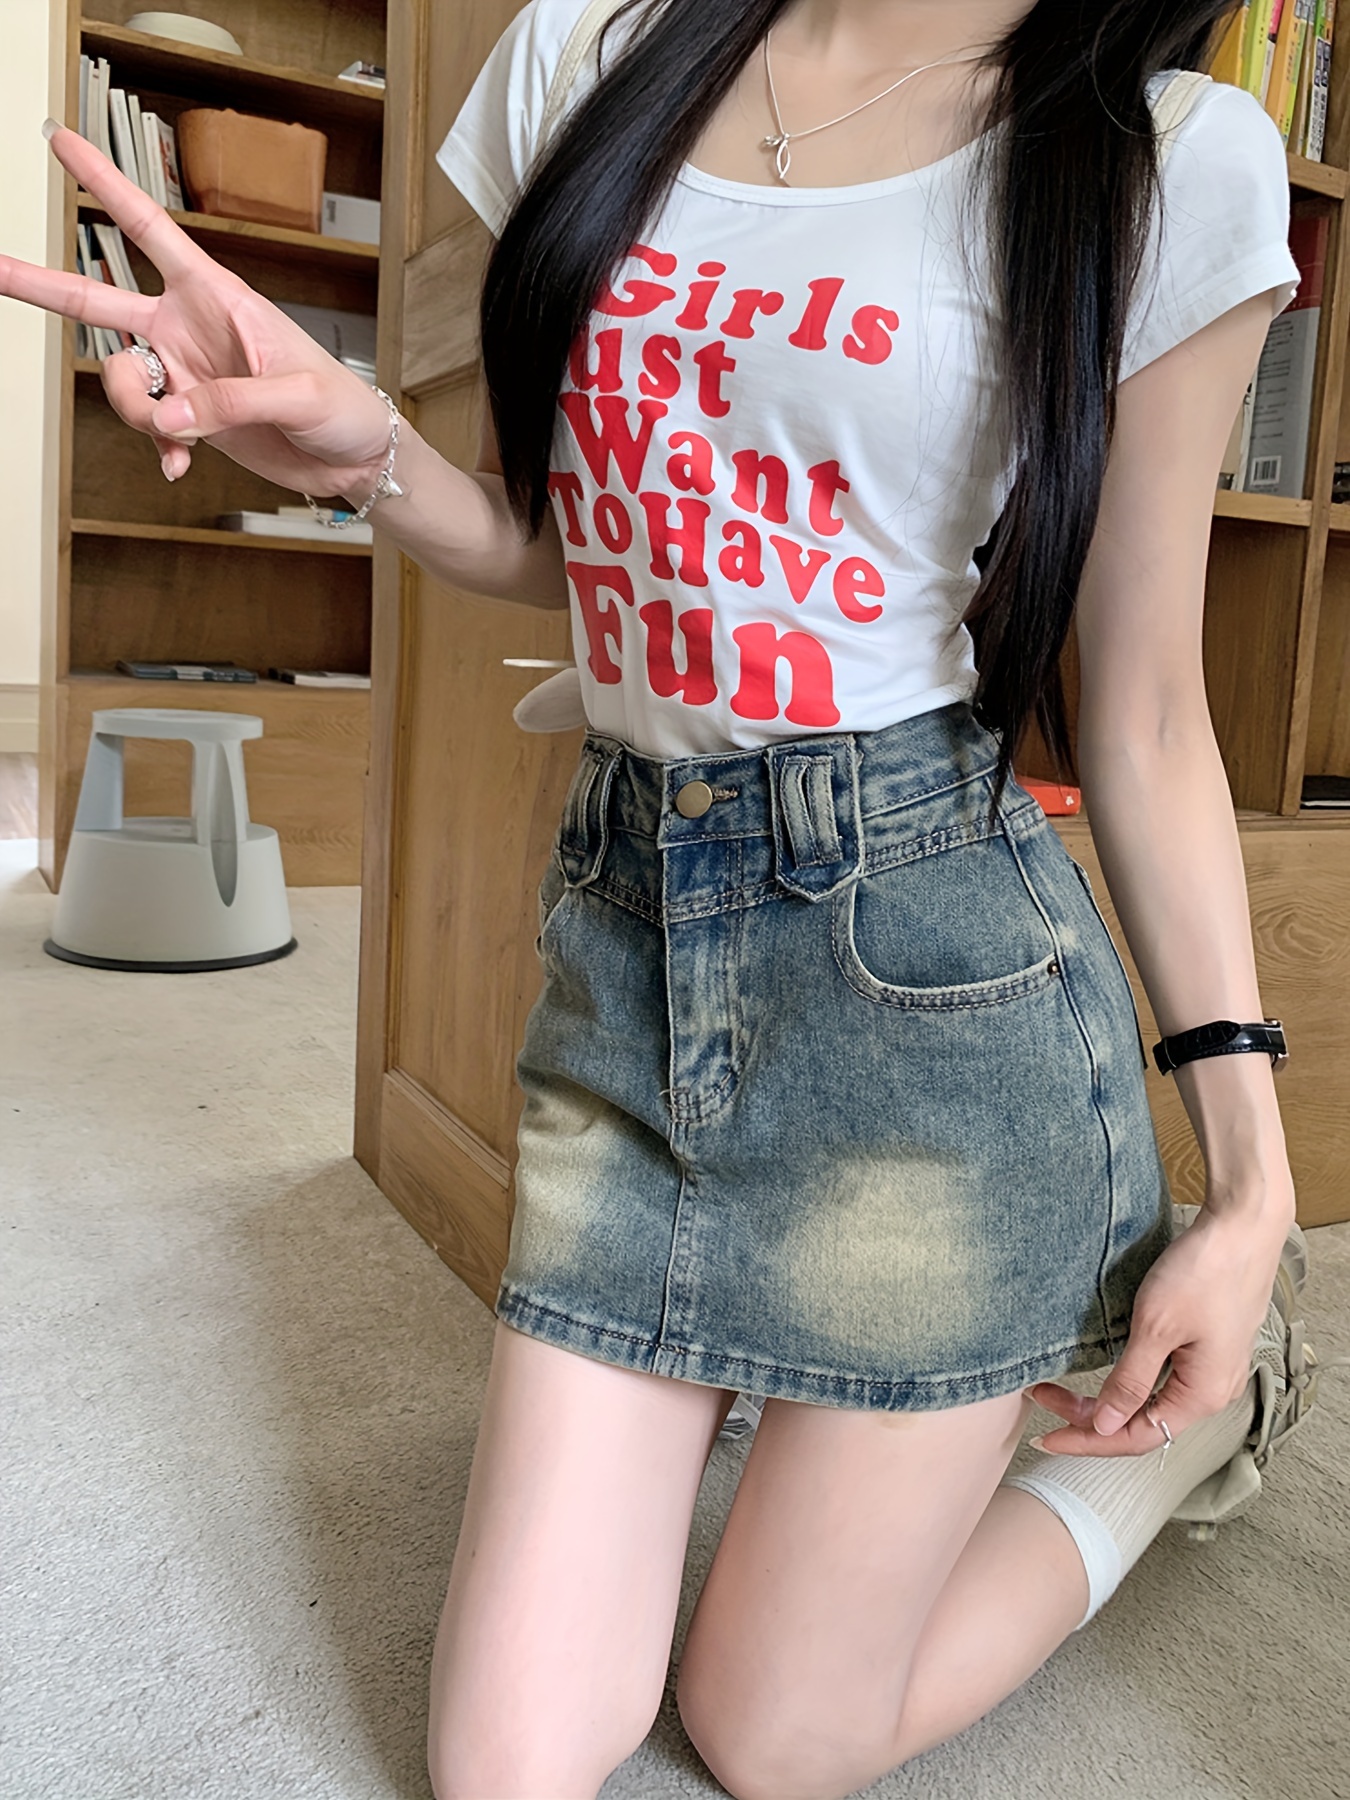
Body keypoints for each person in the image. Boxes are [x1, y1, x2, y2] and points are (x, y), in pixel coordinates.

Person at [1, 3, 1335, 1795]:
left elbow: (1149, 708)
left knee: (774, 1736)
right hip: (631, 936)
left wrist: (1248, 1191)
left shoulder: (1158, 152)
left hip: (931, 992)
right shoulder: (592, 51)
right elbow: (587, 550)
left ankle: (1191, 1435)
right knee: (508, 1762)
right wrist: (361, 449)